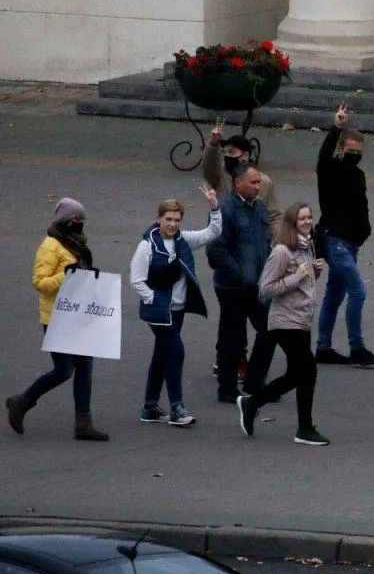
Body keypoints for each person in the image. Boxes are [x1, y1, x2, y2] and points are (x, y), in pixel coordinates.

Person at [6, 198, 109, 441]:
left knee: (85, 369)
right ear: (65, 220)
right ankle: (22, 401)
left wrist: (89, 277)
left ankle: (83, 423)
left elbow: (79, 273)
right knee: (64, 370)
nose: (80, 224)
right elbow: (40, 283)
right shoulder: (50, 245)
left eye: (83, 220)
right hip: (57, 318)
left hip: (80, 314)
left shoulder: (76, 244)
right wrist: (67, 276)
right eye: (76, 220)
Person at [130, 185, 223, 427]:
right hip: (160, 312)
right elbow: (137, 280)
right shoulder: (147, 246)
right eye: (168, 219)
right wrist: (153, 299)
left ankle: (149, 407)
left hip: (178, 310)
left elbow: (212, 233)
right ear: (158, 218)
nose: (172, 224)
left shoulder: (183, 240)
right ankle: (176, 408)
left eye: (176, 220)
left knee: (161, 355)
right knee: (176, 352)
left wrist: (214, 207)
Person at [237, 202, 329, 446]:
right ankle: (304, 428)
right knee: (307, 372)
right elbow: (265, 289)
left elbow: (304, 284)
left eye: (309, 217)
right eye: (302, 219)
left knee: (298, 373)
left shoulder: (307, 246)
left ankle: (252, 403)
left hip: (302, 319)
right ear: (292, 222)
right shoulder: (282, 251)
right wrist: (295, 277)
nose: (307, 222)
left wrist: (314, 273)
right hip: (285, 321)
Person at [315, 102, 374, 367]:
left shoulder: (358, 174)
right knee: (358, 291)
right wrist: (336, 127)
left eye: (358, 150)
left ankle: (323, 347)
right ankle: (356, 346)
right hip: (336, 241)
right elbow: (322, 158)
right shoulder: (330, 170)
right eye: (350, 149)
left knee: (334, 295)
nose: (354, 153)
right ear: (341, 149)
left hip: (351, 243)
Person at [207, 164, 276, 403]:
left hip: (256, 285)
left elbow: (263, 243)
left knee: (270, 330)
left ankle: (255, 381)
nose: (258, 187)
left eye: (259, 182)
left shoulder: (258, 208)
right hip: (233, 287)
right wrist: (239, 274)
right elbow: (215, 250)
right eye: (253, 182)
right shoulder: (226, 209)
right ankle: (226, 388)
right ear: (237, 183)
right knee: (232, 338)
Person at [201, 119, 282, 228]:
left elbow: (274, 217)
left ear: (245, 156)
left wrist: (273, 243)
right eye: (225, 152)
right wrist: (213, 143)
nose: (227, 156)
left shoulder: (264, 182)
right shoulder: (219, 176)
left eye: (232, 152)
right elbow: (208, 166)